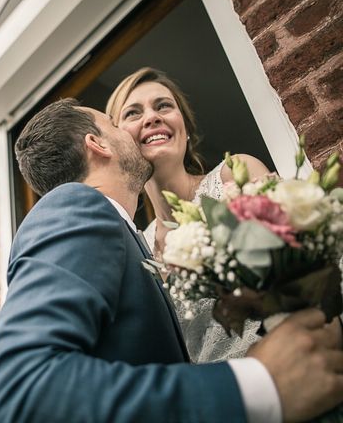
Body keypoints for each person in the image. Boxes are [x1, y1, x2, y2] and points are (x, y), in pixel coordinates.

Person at [0, 98, 343, 423]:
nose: (127, 129)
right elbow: (22, 389)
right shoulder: (76, 206)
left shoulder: (123, 235)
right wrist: (262, 382)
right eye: (113, 121)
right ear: (97, 143)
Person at [106, 67, 275, 362]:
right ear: (117, 141)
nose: (152, 117)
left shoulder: (234, 176)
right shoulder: (138, 248)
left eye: (164, 106)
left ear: (184, 127)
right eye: (133, 113)